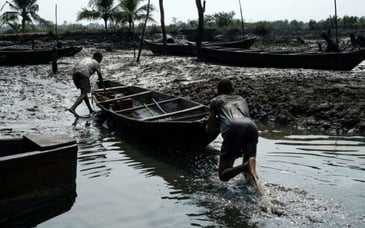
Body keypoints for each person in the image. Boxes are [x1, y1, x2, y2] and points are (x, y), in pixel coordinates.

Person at [204, 78, 259, 184]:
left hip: (233, 127)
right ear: (232, 90)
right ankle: (256, 191)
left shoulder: (215, 101)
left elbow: (210, 130)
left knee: (223, 175)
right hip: (252, 127)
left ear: (218, 91)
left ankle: (245, 166)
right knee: (249, 174)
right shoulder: (241, 99)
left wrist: (207, 122)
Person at [67, 52, 103, 117]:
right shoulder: (96, 63)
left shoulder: (86, 59)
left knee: (84, 93)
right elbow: (100, 76)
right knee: (83, 94)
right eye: (101, 59)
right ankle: (73, 108)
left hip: (75, 73)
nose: (100, 61)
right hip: (84, 73)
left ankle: (90, 110)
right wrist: (102, 86)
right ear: (98, 57)